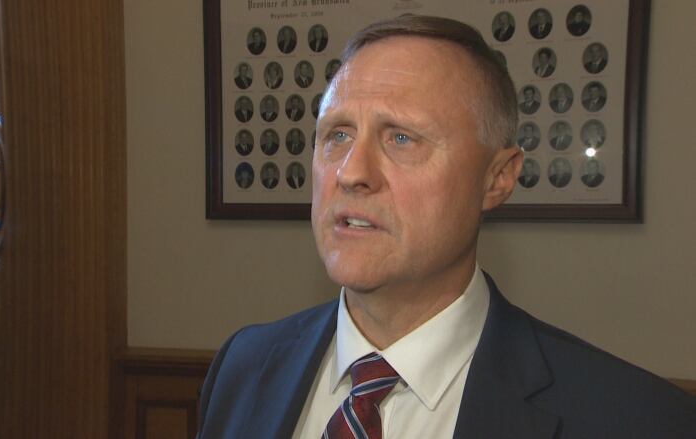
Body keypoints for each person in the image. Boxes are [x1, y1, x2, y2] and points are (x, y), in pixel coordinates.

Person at [197, 15, 696, 439]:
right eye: (338, 134)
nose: (351, 172)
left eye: (402, 138)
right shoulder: (243, 367)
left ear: (498, 178)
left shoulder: (637, 418)